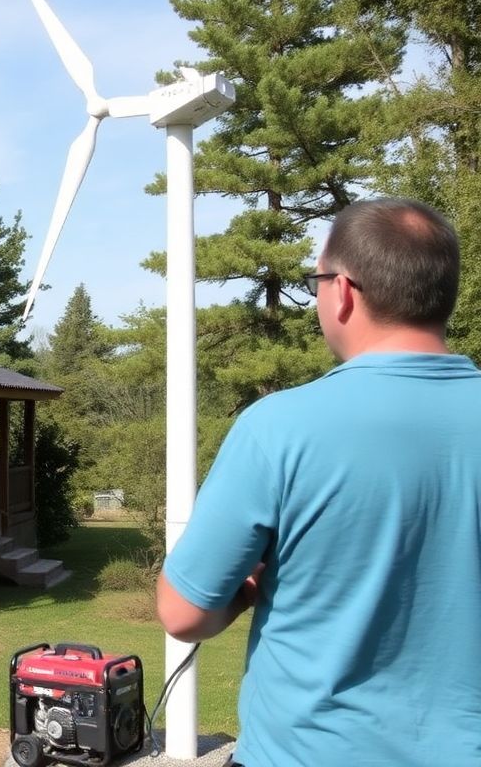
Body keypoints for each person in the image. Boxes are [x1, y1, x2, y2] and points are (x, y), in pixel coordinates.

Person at [156, 198, 481, 766]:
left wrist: (251, 587)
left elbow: (184, 614)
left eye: (318, 280)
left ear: (345, 291)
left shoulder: (279, 427)